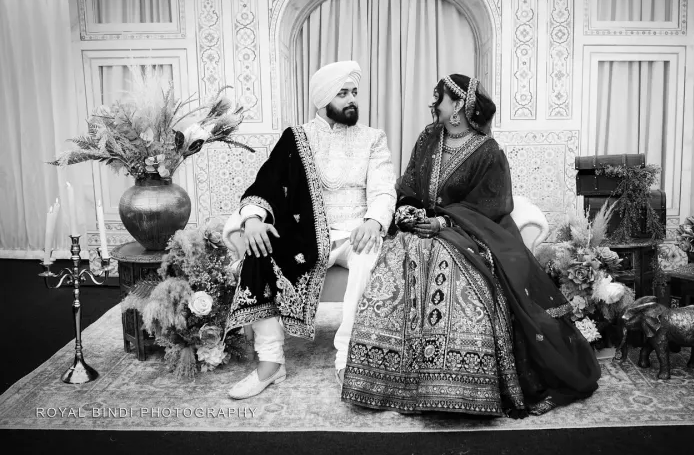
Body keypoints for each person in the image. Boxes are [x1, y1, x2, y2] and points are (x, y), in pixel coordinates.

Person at [340, 74, 600, 417]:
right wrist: (409, 213)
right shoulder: (429, 137)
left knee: (447, 261)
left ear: (459, 106)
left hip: (471, 231)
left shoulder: (487, 151)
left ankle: (457, 385)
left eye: (441, 98)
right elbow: (409, 186)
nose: (435, 104)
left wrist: (444, 222)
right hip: (420, 225)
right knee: (398, 261)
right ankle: (388, 379)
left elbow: (492, 206)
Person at [225, 60, 396, 400]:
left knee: (369, 259)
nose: (352, 100)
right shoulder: (297, 138)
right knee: (261, 252)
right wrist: (254, 218)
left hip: (356, 232)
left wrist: (374, 221)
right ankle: (271, 362)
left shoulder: (373, 138)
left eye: (354, 93)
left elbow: (383, 189)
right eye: (343, 93)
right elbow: (268, 181)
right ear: (322, 99)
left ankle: (350, 357)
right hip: (307, 235)